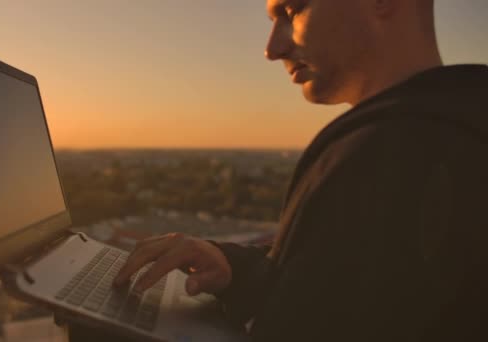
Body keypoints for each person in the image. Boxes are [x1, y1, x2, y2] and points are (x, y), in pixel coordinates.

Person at [113, 0, 488, 340]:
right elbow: (347, 295)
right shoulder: (460, 128)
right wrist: (238, 269)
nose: (272, 49)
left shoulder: (387, 153)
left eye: (293, 9)